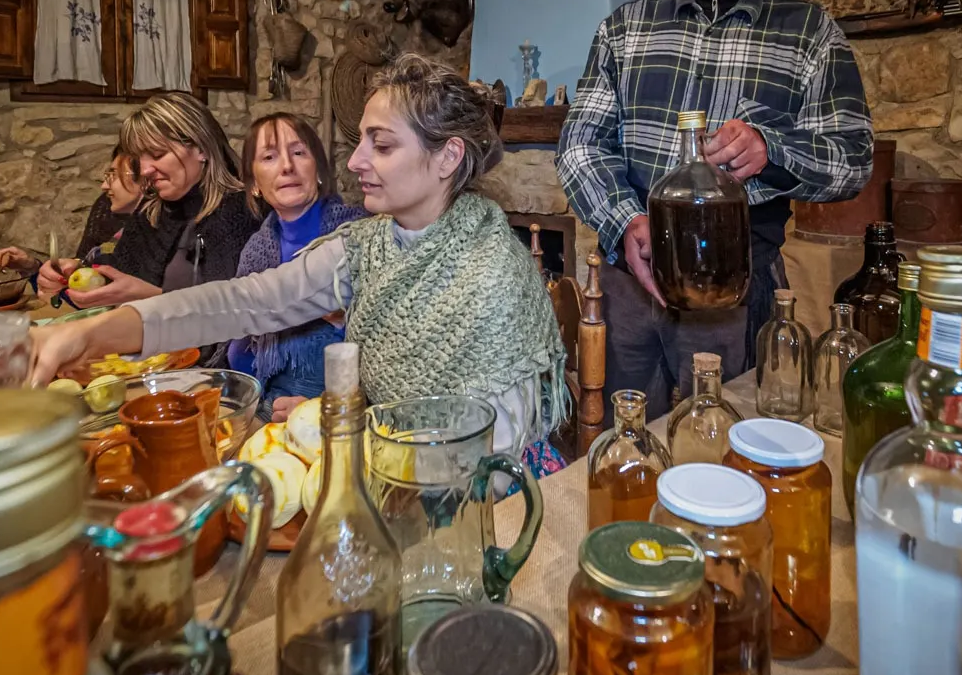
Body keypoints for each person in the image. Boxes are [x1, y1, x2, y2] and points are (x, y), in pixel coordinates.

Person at [30, 54, 569, 475]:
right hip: (391, 474)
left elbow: (489, 456)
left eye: (379, 145)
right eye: (361, 142)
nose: (355, 161)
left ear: (448, 157)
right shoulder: (370, 244)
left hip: (495, 508)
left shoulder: (494, 272)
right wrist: (92, 335)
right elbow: (246, 302)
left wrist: (351, 427)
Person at [557, 0, 874, 421]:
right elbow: (579, 145)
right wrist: (624, 220)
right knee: (624, 435)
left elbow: (853, 157)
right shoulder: (625, 30)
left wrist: (773, 149)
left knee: (722, 441)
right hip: (631, 277)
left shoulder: (809, 34)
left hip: (734, 287)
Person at [38, 92, 260, 306]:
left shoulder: (243, 212)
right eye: (138, 159)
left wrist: (151, 298)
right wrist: (74, 273)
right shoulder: (152, 213)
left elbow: (238, 313)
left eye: (157, 155)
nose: (144, 170)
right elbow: (118, 275)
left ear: (201, 148)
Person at [227, 112, 366, 422]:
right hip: (265, 415)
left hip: (341, 417)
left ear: (317, 169)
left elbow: (385, 353)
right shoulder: (254, 256)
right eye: (269, 157)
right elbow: (241, 360)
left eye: (299, 152)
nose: (287, 166)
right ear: (254, 185)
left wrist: (322, 408)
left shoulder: (358, 236)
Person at [0, 148, 145, 276]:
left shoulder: (161, 232)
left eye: (113, 175)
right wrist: (30, 266)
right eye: (107, 175)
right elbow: (83, 270)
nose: (104, 185)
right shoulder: (105, 205)